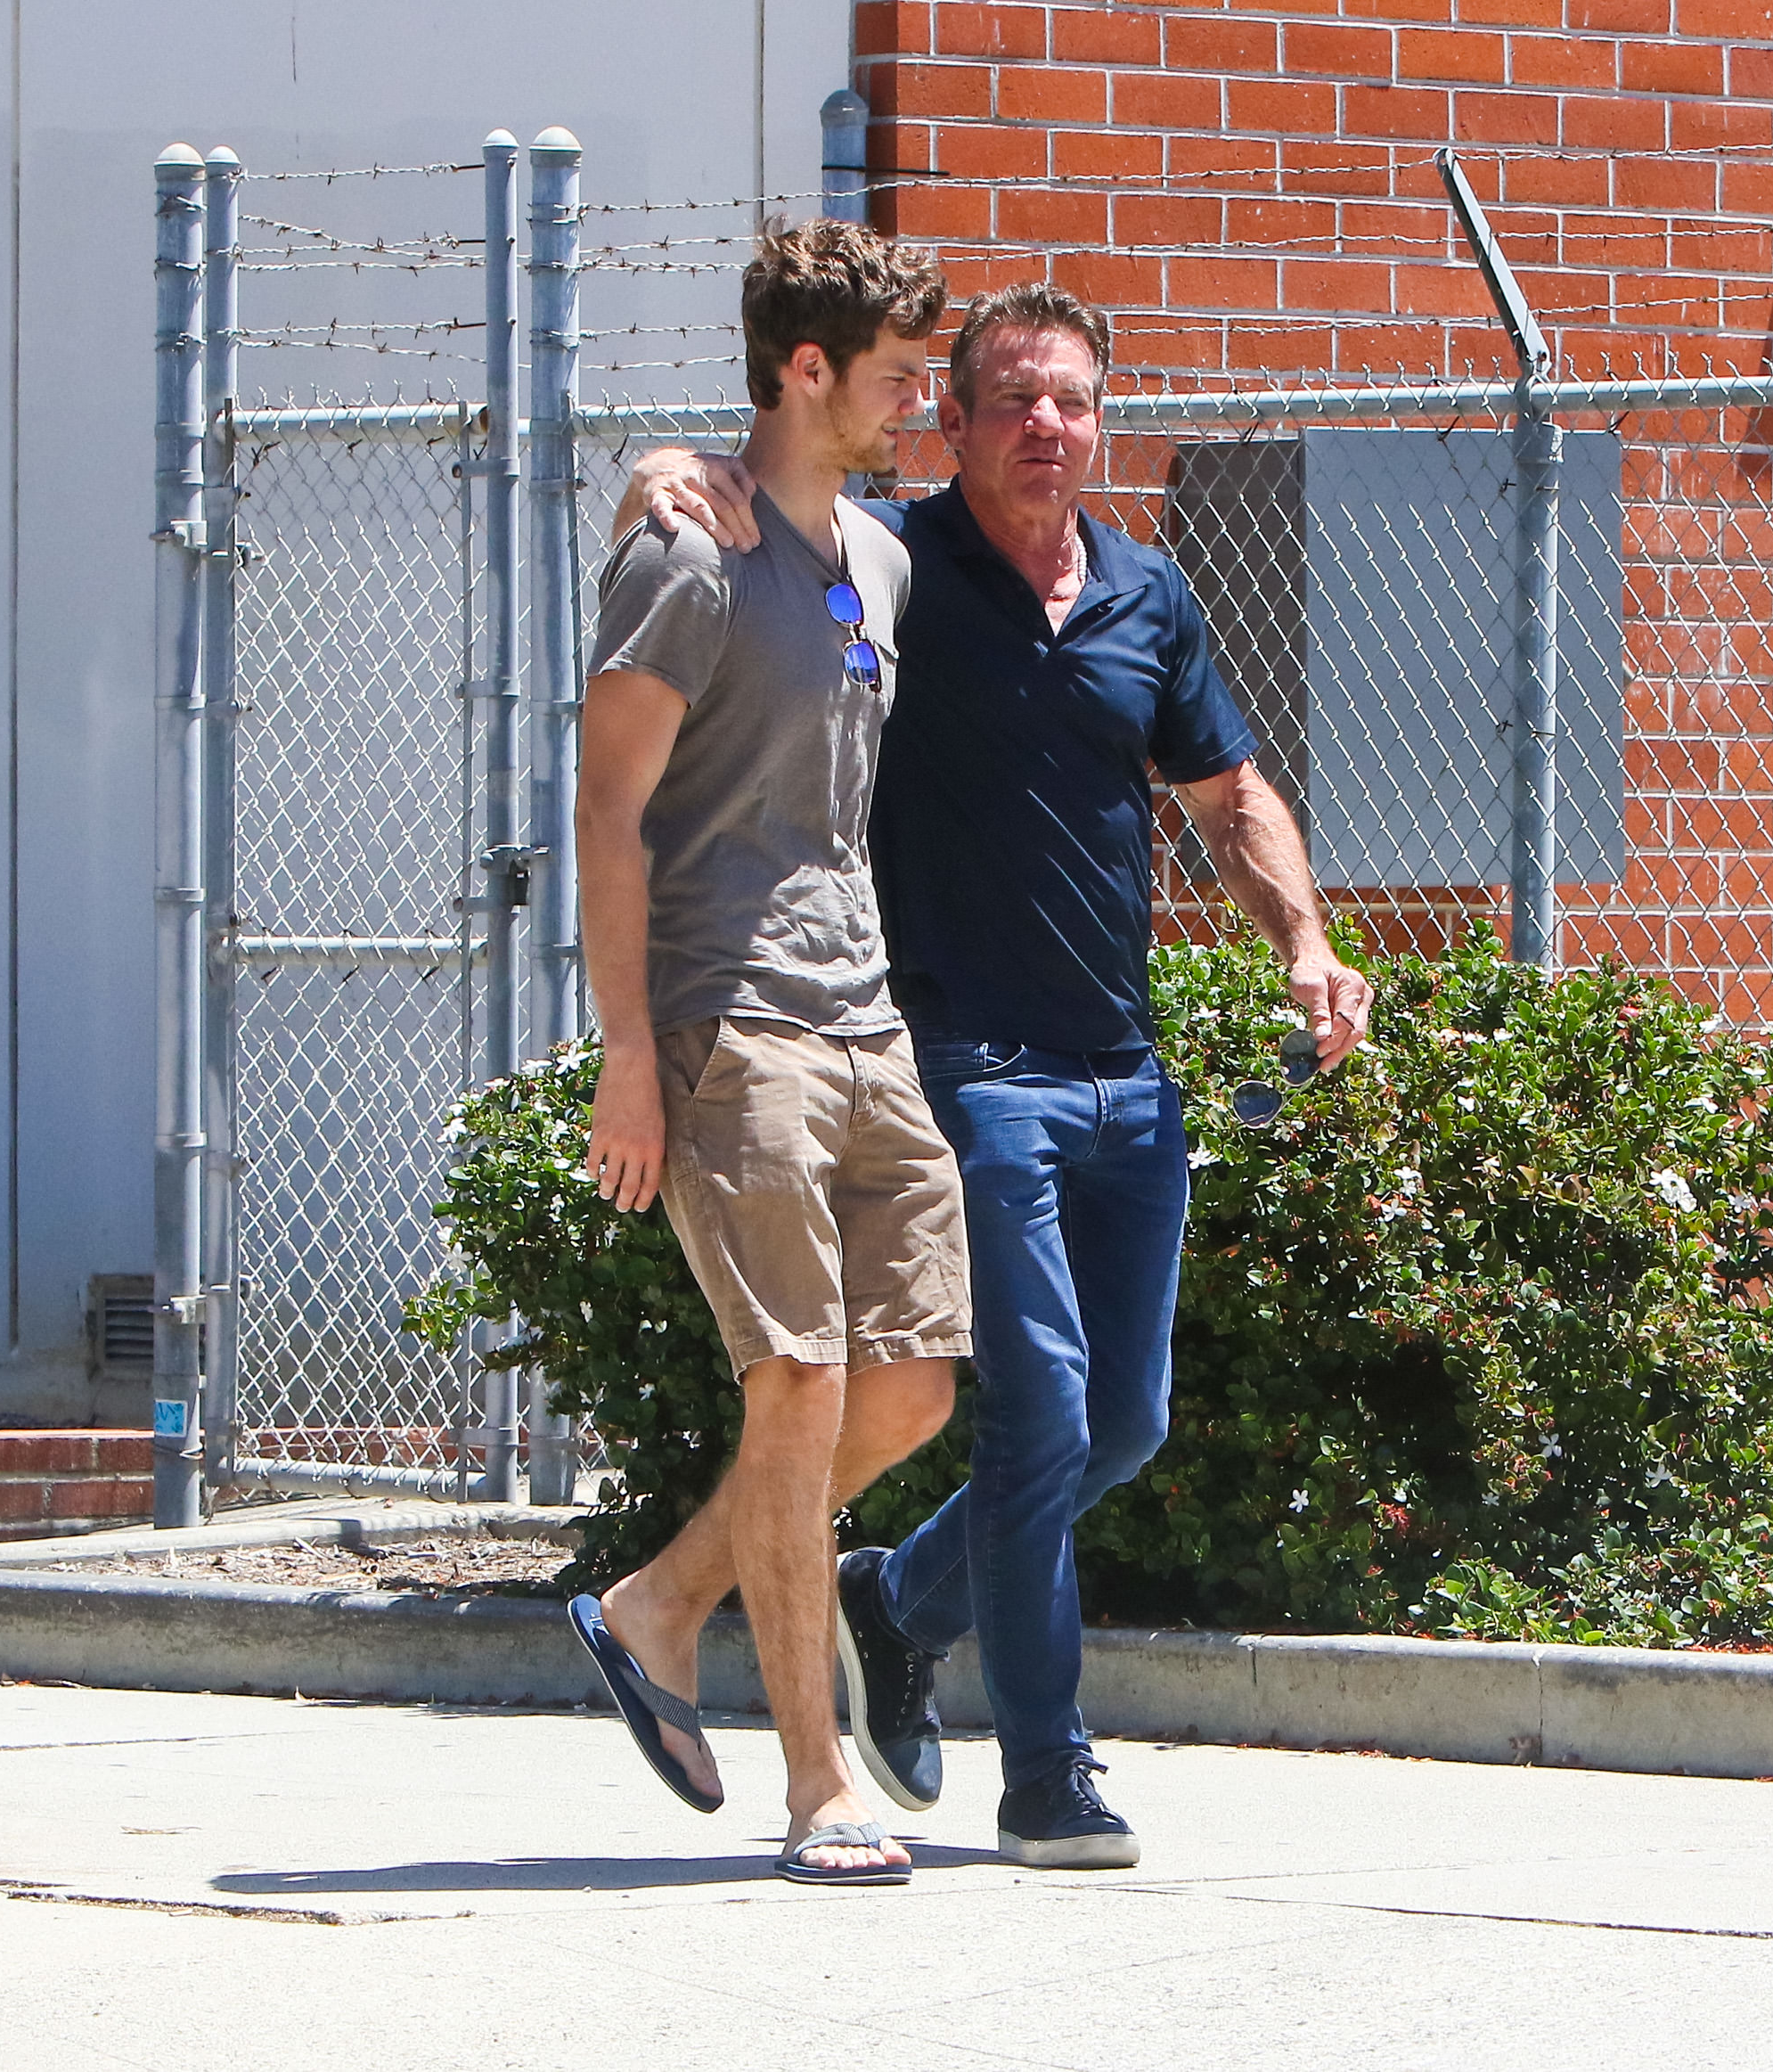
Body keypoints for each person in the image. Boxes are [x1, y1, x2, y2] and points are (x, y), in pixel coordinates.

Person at [621, 281, 1375, 1869]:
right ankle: (1050, 1770)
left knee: (1126, 1423)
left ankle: (895, 1597)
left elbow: (1229, 794)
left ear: (1104, 425)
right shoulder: (900, 565)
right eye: (1010, 398)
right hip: (960, 1060)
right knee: (1036, 1419)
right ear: (951, 422)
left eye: (1074, 402)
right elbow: (760, 493)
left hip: (1123, 1069)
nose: (1047, 426)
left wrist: (1303, 940)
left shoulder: (1147, 595)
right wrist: (656, 463)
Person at [564, 219, 970, 1888]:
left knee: (914, 1381)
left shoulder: (873, 559)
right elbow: (606, 809)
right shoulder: (685, 555)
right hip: (729, 1017)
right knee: (795, 1381)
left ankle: (660, 1602)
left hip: (864, 1009)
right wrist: (629, 1060)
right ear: (807, 371)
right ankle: (820, 1784)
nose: (916, 399)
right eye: (892, 373)